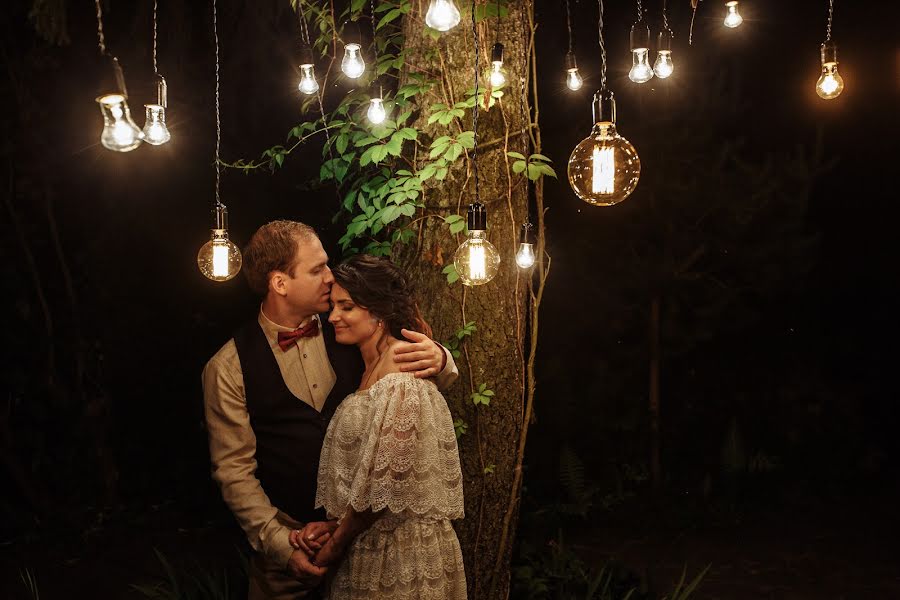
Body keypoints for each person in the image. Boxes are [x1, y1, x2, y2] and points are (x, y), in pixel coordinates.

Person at [202, 221, 458, 599]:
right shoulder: (227, 367)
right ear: (280, 283)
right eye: (317, 268)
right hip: (292, 550)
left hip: (369, 545)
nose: (329, 276)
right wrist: (282, 545)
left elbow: (406, 376)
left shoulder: (348, 326)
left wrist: (440, 358)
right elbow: (234, 471)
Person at [288, 254, 466, 600]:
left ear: (379, 313)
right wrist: (333, 526)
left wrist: (334, 547)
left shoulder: (403, 376)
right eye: (333, 305)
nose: (333, 316)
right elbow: (368, 482)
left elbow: (384, 484)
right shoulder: (362, 364)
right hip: (365, 545)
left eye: (347, 307)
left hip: (400, 555)